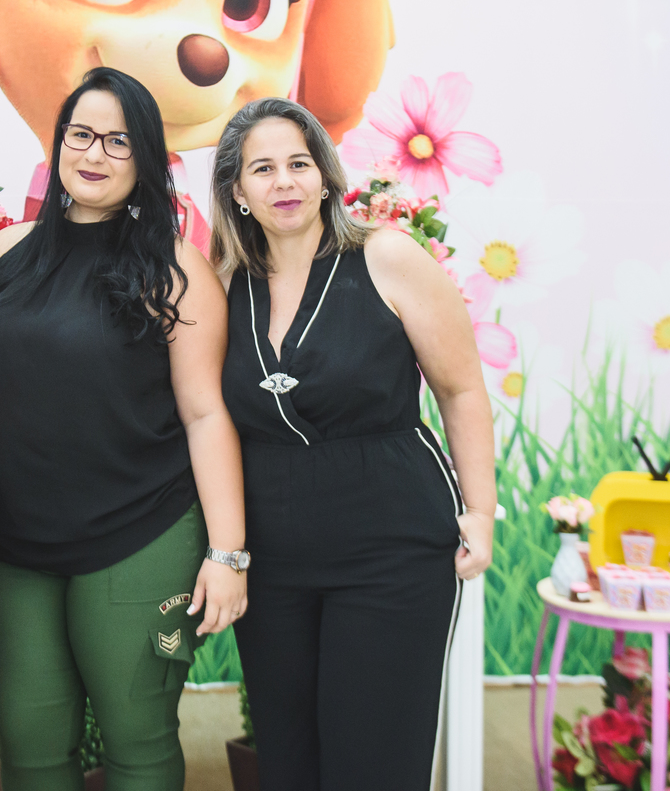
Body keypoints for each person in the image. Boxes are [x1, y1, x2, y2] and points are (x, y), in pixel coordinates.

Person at [0, 67, 247, 791]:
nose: (95, 153)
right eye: (81, 134)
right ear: (57, 143)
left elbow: (205, 413)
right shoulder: (3, 254)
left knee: (138, 743)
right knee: (29, 748)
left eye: (119, 141)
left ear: (146, 157)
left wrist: (228, 553)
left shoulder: (176, 269)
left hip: (141, 533)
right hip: (16, 544)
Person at [211, 97, 496, 790]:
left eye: (299, 163)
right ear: (237, 190)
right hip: (272, 558)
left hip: (389, 547)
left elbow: (461, 388)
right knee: (288, 761)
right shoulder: (222, 283)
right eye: (263, 168)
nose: (285, 182)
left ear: (326, 176)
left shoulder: (386, 257)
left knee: (374, 761)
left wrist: (482, 511)